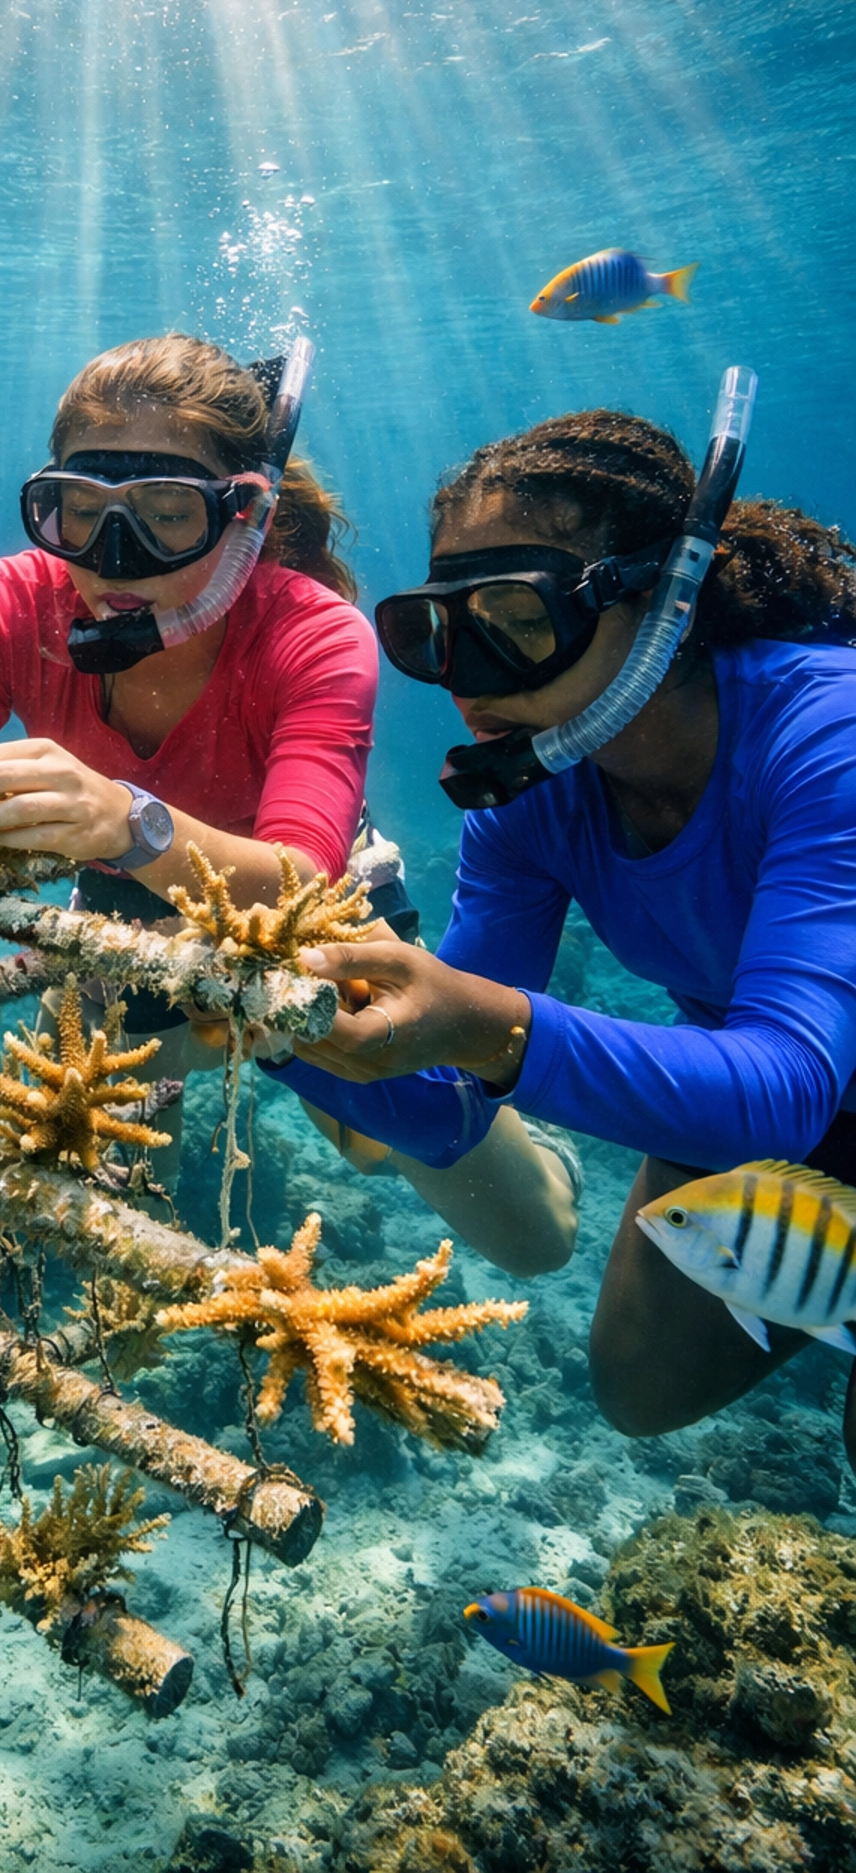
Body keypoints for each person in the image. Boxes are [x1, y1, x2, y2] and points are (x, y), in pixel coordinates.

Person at [0, 333, 576, 1275]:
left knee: (522, 1236)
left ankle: (524, 1156)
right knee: (111, 1215)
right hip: (120, 908)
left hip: (312, 913)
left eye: (165, 515)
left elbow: (302, 874)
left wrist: (124, 818)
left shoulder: (314, 630)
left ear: (242, 518)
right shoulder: (2, 603)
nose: (114, 557)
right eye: (78, 512)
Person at [280, 403, 856, 1461]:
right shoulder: (534, 785)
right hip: (761, 1096)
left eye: (518, 620)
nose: (466, 677)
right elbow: (437, 1091)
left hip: (785, 1081)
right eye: (435, 632)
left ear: (667, 597)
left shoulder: (830, 734)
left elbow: (786, 1083)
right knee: (639, 1382)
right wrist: (268, 1009)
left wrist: (486, 1026)